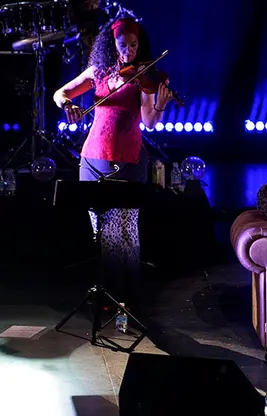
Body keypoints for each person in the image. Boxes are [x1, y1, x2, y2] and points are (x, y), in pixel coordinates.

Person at [52, 17, 176, 304]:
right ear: (113, 44)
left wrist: (159, 104)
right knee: (104, 233)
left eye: (133, 45)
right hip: (93, 159)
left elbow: (149, 122)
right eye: (123, 45)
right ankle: (108, 299)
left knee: (127, 233)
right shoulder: (98, 72)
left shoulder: (144, 76)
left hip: (130, 161)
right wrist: (68, 105)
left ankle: (127, 300)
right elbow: (60, 93)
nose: (129, 51)